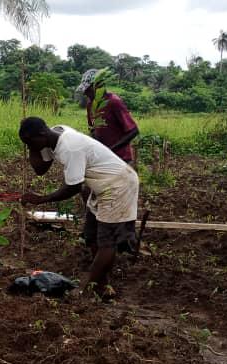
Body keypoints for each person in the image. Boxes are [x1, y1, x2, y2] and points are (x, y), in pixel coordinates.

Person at [18, 117, 139, 300]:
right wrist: (33, 147)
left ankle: (86, 292)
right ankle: (102, 286)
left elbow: (73, 187)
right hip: (102, 186)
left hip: (118, 186)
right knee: (91, 236)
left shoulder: (70, 148)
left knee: (107, 241)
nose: (29, 147)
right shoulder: (54, 134)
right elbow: (40, 169)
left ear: (42, 135)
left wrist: (41, 199)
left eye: (30, 143)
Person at [77, 69, 139, 165]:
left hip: (121, 159)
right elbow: (92, 129)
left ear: (98, 86)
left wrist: (111, 150)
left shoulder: (114, 102)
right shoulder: (91, 105)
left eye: (88, 90)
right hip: (103, 159)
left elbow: (133, 131)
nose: (85, 93)